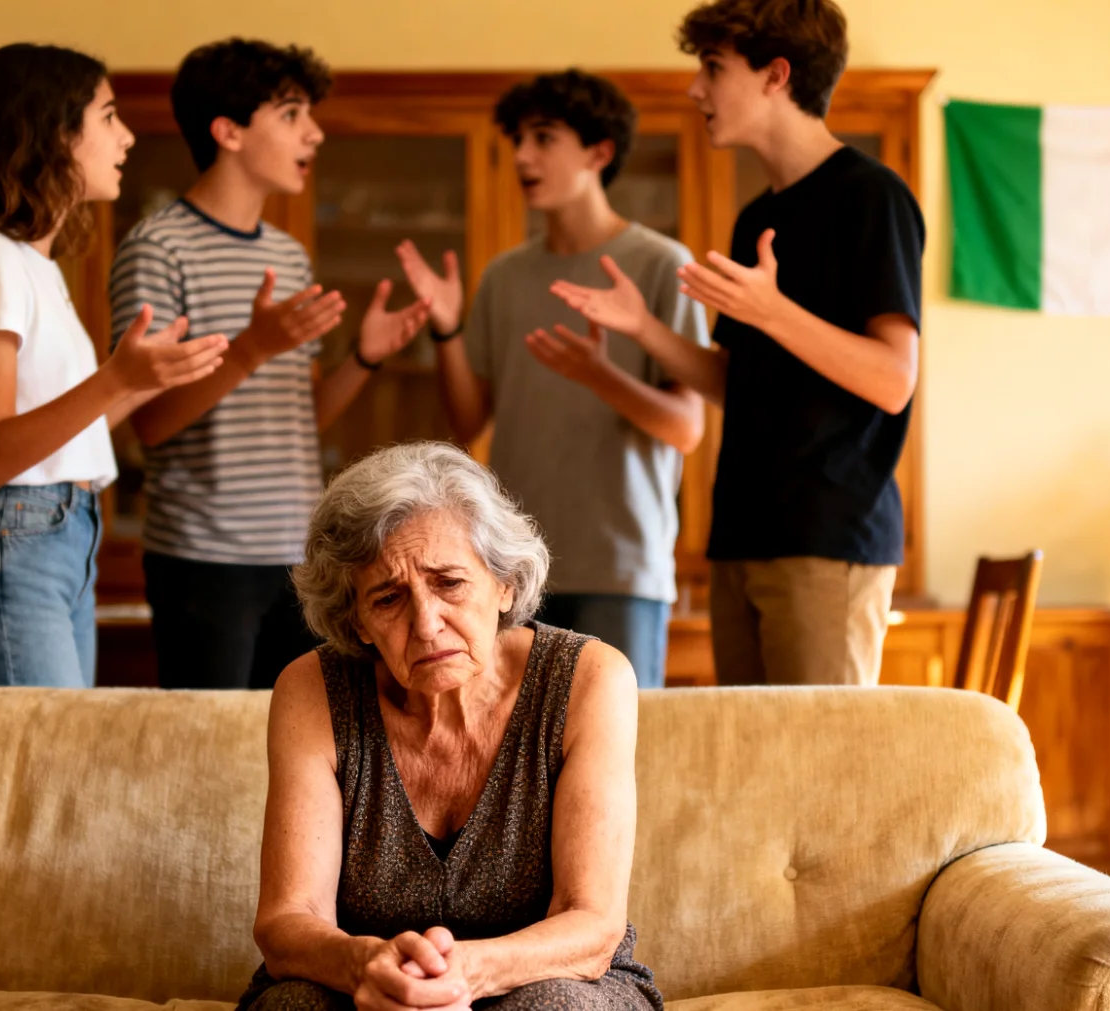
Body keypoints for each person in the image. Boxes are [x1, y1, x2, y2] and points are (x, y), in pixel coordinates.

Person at [552, 0, 925, 686]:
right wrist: (644, 328)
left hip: (826, 542)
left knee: (819, 775)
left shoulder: (873, 198)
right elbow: (735, 381)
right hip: (741, 538)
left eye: (714, 68)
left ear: (775, 76)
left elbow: (893, 379)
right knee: (757, 774)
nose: (697, 88)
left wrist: (774, 311)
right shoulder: (759, 214)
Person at [242, 441, 661, 1011]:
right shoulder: (313, 689)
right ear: (357, 621)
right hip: (365, 986)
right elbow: (289, 919)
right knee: (295, 1005)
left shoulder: (589, 678)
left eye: (449, 583)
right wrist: (368, 967)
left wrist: (461, 974)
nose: (426, 623)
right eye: (388, 598)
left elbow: (590, 922)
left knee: (556, 1006)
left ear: (505, 583)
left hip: (552, 979)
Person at [0, 43, 229, 687]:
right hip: (12, 541)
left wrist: (142, 382)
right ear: (51, 134)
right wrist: (116, 379)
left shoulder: (33, 269)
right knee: (39, 781)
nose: (127, 137)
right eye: (109, 116)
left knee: (53, 773)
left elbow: (58, 436)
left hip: (53, 541)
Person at [111, 38, 430, 691]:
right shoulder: (157, 247)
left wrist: (364, 357)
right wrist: (251, 347)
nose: (313, 131)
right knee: (213, 759)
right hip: (202, 559)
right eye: (290, 114)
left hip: (300, 559)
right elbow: (147, 424)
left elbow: (301, 419)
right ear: (227, 131)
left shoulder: (287, 256)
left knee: (302, 754)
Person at [396, 70, 710, 689]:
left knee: (611, 764)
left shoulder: (660, 264)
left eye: (543, 138)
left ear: (598, 152)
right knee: (513, 763)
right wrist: (447, 329)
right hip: (507, 570)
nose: (522, 156)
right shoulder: (506, 276)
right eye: (518, 139)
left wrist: (601, 376)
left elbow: (686, 428)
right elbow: (468, 422)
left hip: (619, 570)